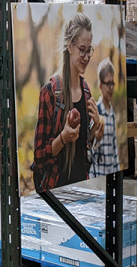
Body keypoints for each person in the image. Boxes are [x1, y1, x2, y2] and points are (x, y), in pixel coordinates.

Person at [32, 13, 104, 193]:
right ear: (69, 46)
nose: (87, 57)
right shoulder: (50, 92)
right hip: (56, 188)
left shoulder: (86, 90)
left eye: (89, 50)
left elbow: (84, 147)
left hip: (82, 186)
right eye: (82, 49)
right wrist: (63, 138)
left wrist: (94, 128)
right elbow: (39, 156)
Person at [91, 58, 120, 177]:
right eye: (108, 84)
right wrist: (97, 140)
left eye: (112, 83)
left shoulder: (112, 114)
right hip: (97, 176)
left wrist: (118, 173)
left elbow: (114, 147)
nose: (111, 88)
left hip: (110, 175)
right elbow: (88, 153)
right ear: (100, 86)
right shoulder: (95, 112)